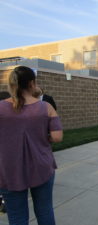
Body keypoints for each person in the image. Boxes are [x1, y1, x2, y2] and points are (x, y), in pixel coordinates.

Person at [0, 66, 63, 225]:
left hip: (8, 170)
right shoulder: (45, 107)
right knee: (45, 211)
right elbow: (57, 137)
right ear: (32, 83)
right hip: (41, 166)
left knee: (16, 217)